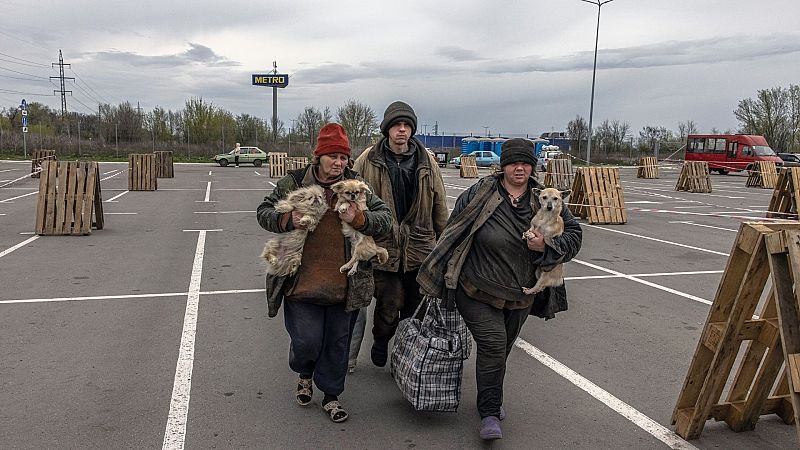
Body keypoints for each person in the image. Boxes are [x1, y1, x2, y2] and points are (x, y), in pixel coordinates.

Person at [416, 138, 582, 440]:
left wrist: (547, 245)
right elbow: (454, 227)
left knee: (500, 351)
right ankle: (490, 412)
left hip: (520, 296)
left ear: (532, 166)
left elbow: (574, 238)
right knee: (493, 345)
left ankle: (490, 396)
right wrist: (438, 271)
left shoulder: (545, 198)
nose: (519, 168)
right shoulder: (481, 192)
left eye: (525, 162)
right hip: (475, 288)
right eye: (512, 162)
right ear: (502, 165)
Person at [256, 123, 392, 423]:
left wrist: (359, 219)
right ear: (318, 157)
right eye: (333, 157)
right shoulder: (294, 183)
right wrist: (288, 219)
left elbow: (385, 220)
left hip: (345, 285)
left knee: (337, 344)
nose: (339, 164)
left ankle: (331, 396)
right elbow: (264, 212)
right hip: (302, 284)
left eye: (344, 158)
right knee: (306, 341)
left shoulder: (355, 186)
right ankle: (305, 372)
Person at [350, 101, 449, 368]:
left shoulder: (426, 161)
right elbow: (351, 194)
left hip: (420, 247)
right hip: (384, 247)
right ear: (387, 129)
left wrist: (446, 245)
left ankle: (406, 355)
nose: (402, 130)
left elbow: (439, 204)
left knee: (416, 308)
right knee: (389, 303)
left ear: (412, 130)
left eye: (406, 126)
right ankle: (381, 340)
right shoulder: (368, 159)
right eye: (396, 125)